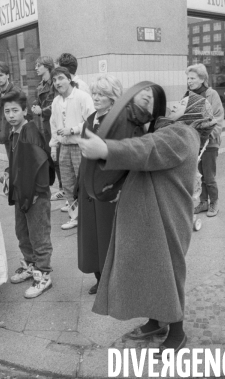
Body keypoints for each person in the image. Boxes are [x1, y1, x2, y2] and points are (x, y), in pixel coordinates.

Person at [77, 86, 200, 356]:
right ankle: (156, 322)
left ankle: (177, 333)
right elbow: (141, 155)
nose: (173, 104)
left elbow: (147, 149)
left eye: (181, 104)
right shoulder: (163, 131)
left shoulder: (182, 134)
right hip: (151, 216)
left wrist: (105, 148)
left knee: (167, 274)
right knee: (151, 271)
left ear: (191, 114)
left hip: (167, 217)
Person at [76, 74, 138, 295]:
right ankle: (100, 277)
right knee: (92, 236)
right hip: (88, 188)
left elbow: (126, 157)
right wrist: (78, 185)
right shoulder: (90, 119)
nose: (96, 97)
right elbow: (84, 157)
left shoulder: (120, 122)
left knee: (108, 236)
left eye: (101, 94)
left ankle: (114, 280)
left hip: (109, 188)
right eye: (94, 93)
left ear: (113, 97)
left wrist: (122, 188)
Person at [1, 90, 55, 298]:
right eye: (7, 111)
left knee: (39, 234)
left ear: (25, 111)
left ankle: (43, 274)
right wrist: (8, 174)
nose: (11, 115)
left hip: (35, 195)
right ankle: (31, 265)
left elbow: (40, 166)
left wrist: (36, 193)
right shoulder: (14, 132)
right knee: (22, 233)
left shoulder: (29, 131)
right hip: (20, 192)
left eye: (15, 110)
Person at [49, 67, 95, 230]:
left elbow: (92, 120)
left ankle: (89, 215)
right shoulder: (56, 101)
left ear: (69, 79)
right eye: (54, 80)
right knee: (67, 182)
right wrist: (54, 145)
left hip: (79, 144)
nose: (57, 83)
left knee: (82, 181)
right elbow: (53, 124)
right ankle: (75, 216)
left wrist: (73, 129)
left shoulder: (82, 97)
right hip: (64, 146)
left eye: (61, 78)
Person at [186, 64, 224, 218]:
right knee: (199, 176)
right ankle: (203, 202)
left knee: (209, 177)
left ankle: (214, 202)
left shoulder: (212, 95)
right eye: (188, 78)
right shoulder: (188, 96)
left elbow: (218, 118)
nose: (189, 81)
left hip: (210, 142)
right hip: (196, 142)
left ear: (202, 79)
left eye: (192, 78)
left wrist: (209, 133)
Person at [32, 56, 64, 202]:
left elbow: (57, 105)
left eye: (39, 65)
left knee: (58, 158)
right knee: (51, 158)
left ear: (47, 66)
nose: (36, 68)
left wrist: (42, 110)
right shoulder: (41, 85)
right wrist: (34, 106)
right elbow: (37, 100)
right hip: (43, 125)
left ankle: (65, 189)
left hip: (54, 124)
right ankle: (61, 188)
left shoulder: (54, 83)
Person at [0, 62, 16, 157]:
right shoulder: (2, 92)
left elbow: (26, 115)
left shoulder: (15, 92)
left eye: (1, 75)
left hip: (15, 137)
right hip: (7, 137)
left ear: (8, 75)